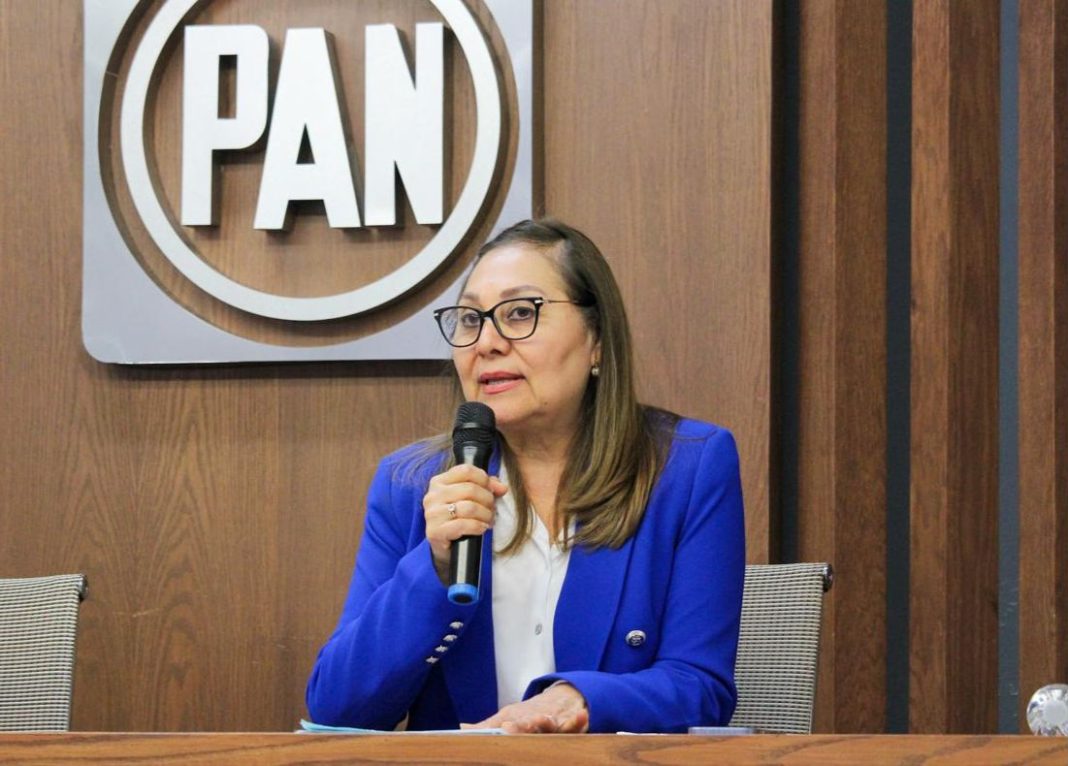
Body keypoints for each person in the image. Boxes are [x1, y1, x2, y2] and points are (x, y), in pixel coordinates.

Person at [305, 219, 745, 733]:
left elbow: (700, 686)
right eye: (470, 320)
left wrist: (572, 701)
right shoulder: (410, 484)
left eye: (519, 312)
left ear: (597, 339)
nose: (486, 343)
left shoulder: (685, 468)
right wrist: (434, 567)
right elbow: (337, 708)